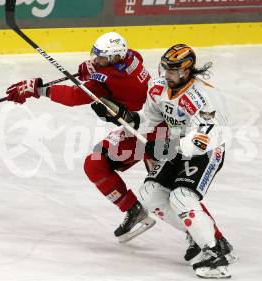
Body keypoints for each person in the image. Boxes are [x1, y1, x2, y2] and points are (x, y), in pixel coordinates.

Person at [98, 44, 237, 278]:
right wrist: (123, 116)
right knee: (149, 194)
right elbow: (147, 120)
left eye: (171, 71)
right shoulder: (158, 87)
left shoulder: (205, 98)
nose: (165, 75)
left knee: (182, 197)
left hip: (207, 150)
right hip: (178, 148)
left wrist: (168, 146)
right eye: (164, 69)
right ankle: (203, 235)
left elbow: (204, 139)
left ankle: (215, 255)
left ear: (185, 71)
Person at [5, 32, 158, 242]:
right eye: (96, 55)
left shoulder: (108, 78)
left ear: (115, 58)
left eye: (102, 58)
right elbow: (103, 74)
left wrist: (38, 90)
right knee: (100, 164)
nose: (96, 60)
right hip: (143, 124)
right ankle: (135, 209)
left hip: (147, 135)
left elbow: (75, 96)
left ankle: (205, 239)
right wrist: (93, 67)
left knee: (163, 194)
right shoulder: (132, 57)